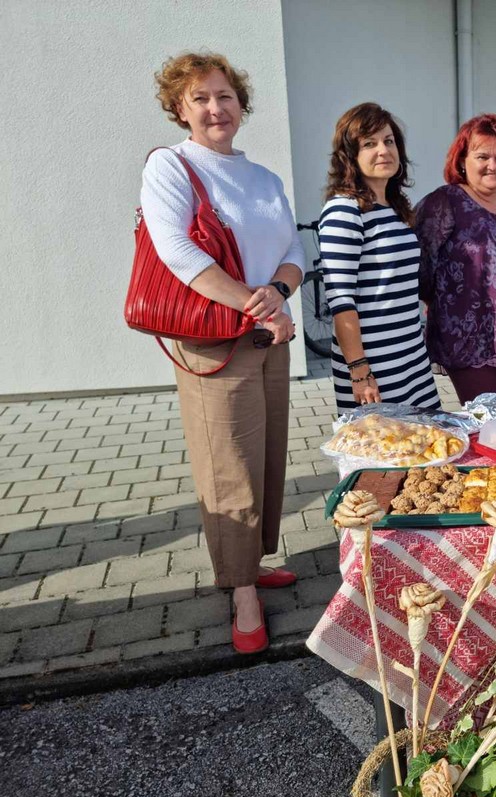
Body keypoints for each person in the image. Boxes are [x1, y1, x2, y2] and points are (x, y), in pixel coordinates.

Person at [141, 52, 305, 653]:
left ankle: (254, 562)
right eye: (200, 98)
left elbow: (294, 250)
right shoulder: (173, 166)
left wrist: (280, 293)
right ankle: (240, 591)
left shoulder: (264, 178)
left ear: (242, 104)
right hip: (214, 341)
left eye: (225, 96)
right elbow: (177, 253)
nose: (215, 108)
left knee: (266, 455)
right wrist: (256, 303)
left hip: (268, 334)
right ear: (179, 108)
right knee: (227, 463)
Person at [319, 103, 440, 414]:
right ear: (350, 155)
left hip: (410, 355)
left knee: (417, 451)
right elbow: (341, 301)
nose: (383, 150)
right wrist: (360, 371)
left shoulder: (395, 210)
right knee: (381, 454)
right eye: (369, 144)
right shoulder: (344, 210)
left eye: (389, 141)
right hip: (375, 363)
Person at [415, 114, 496, 404]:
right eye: (482, 156)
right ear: (461, 161)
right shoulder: (445, 203)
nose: (493, 165)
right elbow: (421, 265)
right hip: (468, 339)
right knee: (485, 419)